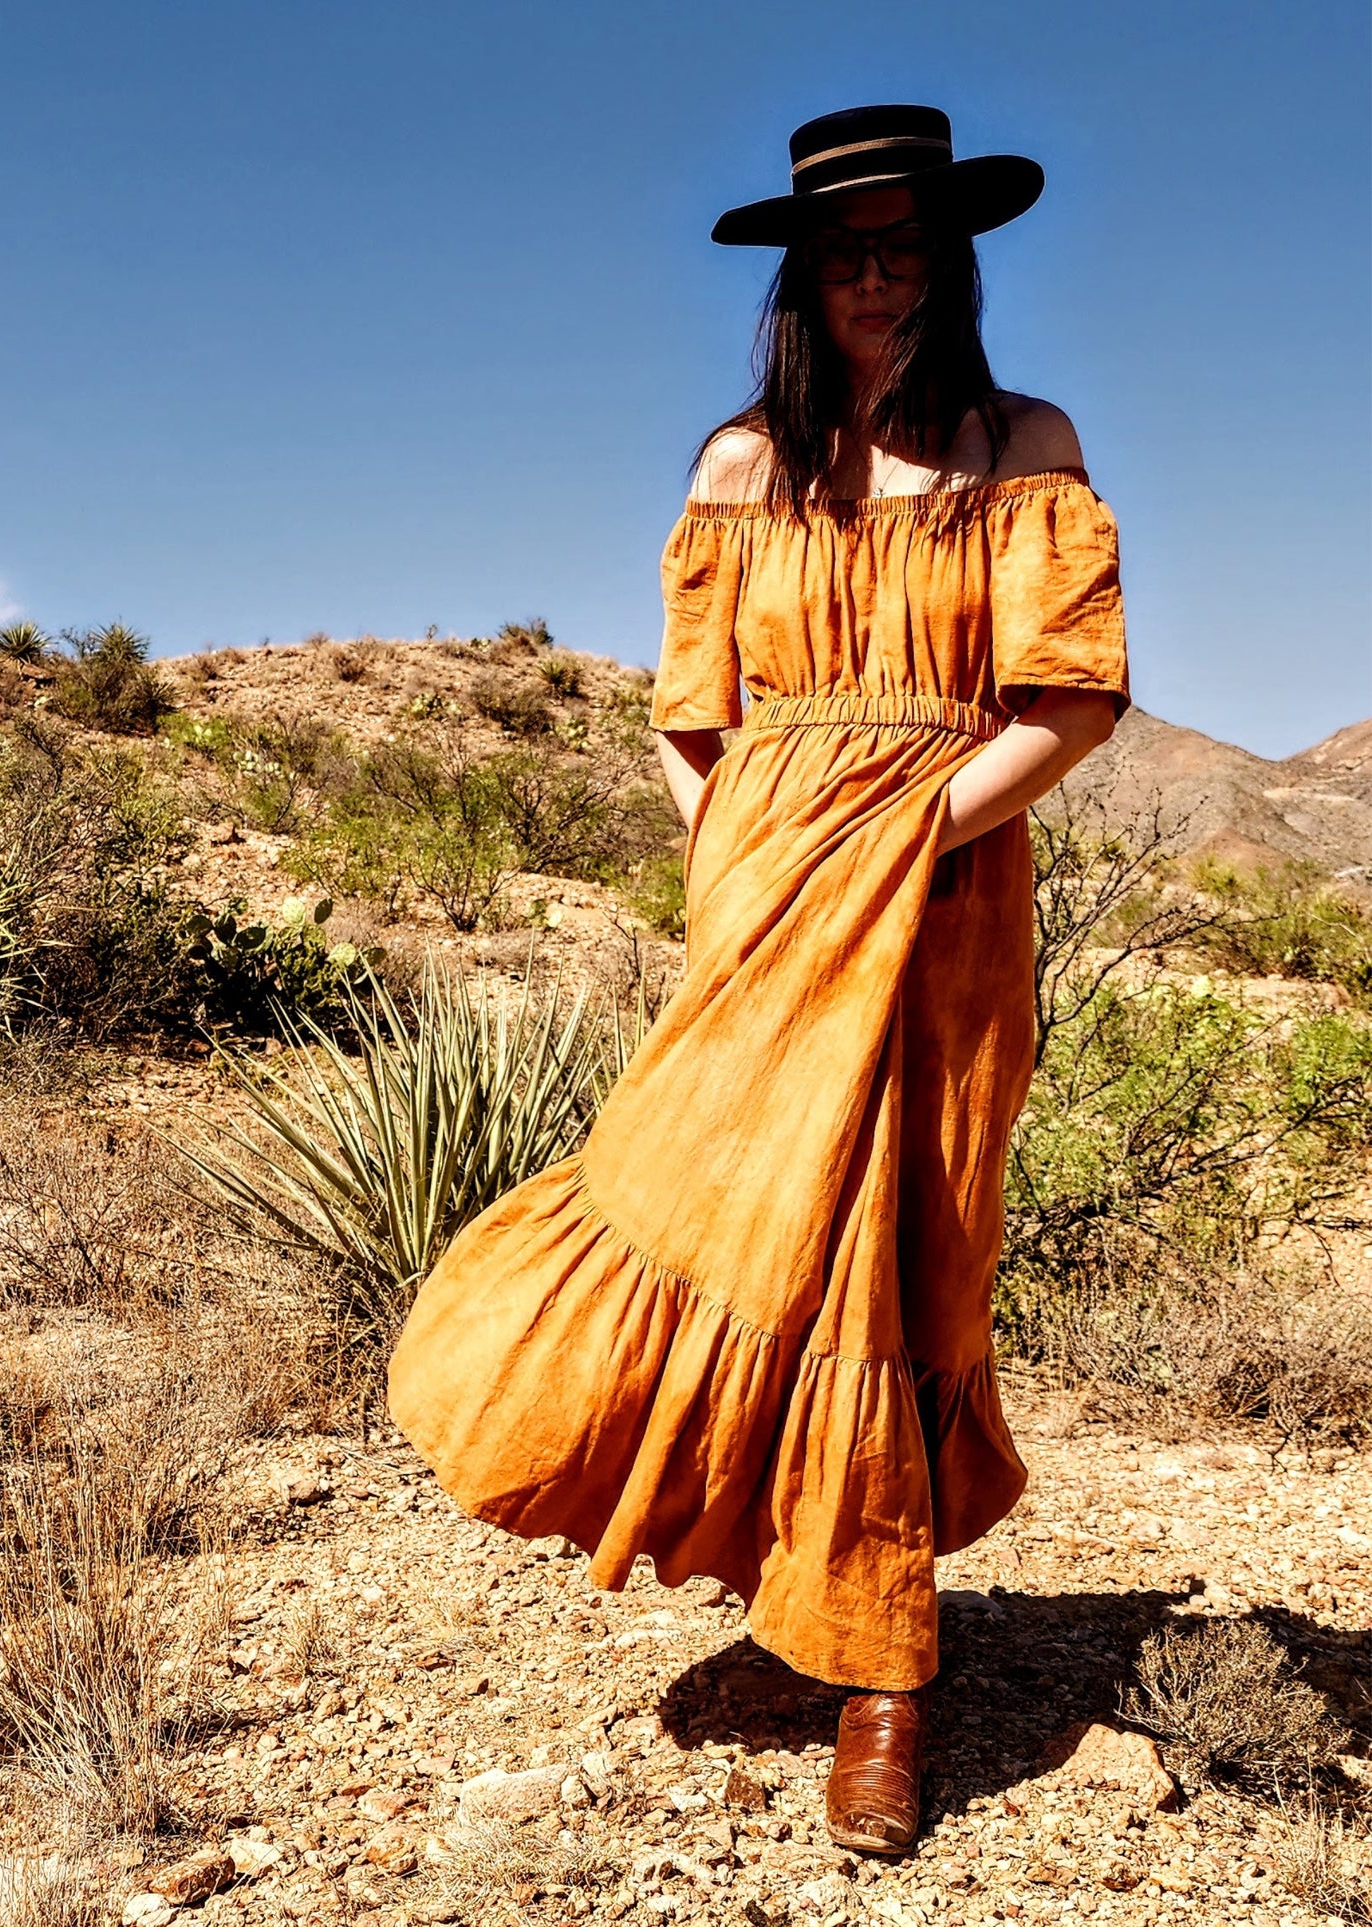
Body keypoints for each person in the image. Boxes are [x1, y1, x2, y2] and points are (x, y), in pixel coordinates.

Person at [387, 103, 1129, 1857]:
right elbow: (691, 719)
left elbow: (1069, 704)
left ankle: (882, 1676)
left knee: (899, 1244)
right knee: (723, 1214)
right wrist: (741, 876)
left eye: (908, 250)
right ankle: (808, 1591)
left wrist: (902, 838)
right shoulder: (739, 468)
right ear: (804, 281)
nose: (878, 281)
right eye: (846, 255)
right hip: (764, 906)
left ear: (952, 266)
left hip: (940, 900)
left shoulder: (1022, 444)